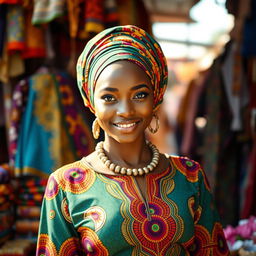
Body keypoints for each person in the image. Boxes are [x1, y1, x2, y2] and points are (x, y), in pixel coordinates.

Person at [36, 25, 230, 256]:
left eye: (140, 95)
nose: (126, 110)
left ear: (156, 97)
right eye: (109, 97)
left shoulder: (190, 175)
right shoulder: (67, 185)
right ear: (91, 102)